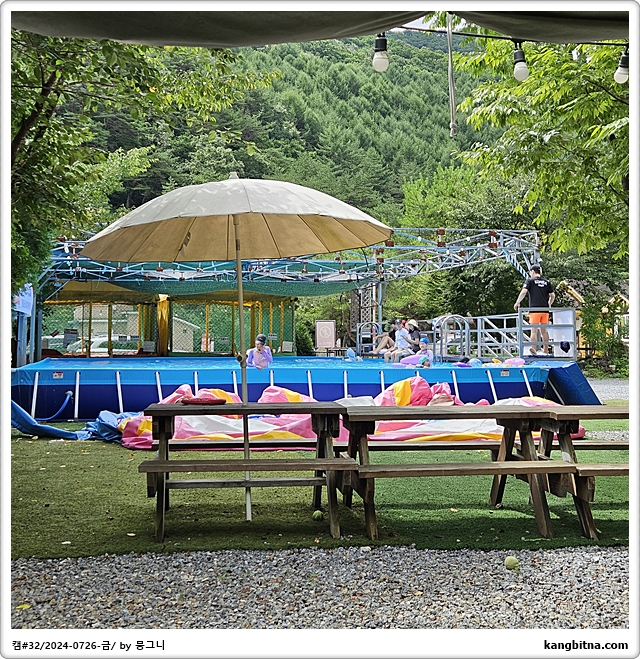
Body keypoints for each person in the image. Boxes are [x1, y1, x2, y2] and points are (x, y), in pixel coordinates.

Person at [514, 265, 556, 355]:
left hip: (534, 309)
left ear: (532, 271)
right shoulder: (546, 282)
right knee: (544, 331)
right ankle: (545, 351)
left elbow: (524, 292)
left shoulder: (530, 281)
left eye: (530, 272)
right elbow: (552, 295)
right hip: (545, 310)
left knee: (534, 331)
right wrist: (549, 304)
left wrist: (517, 302)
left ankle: (533, 350)